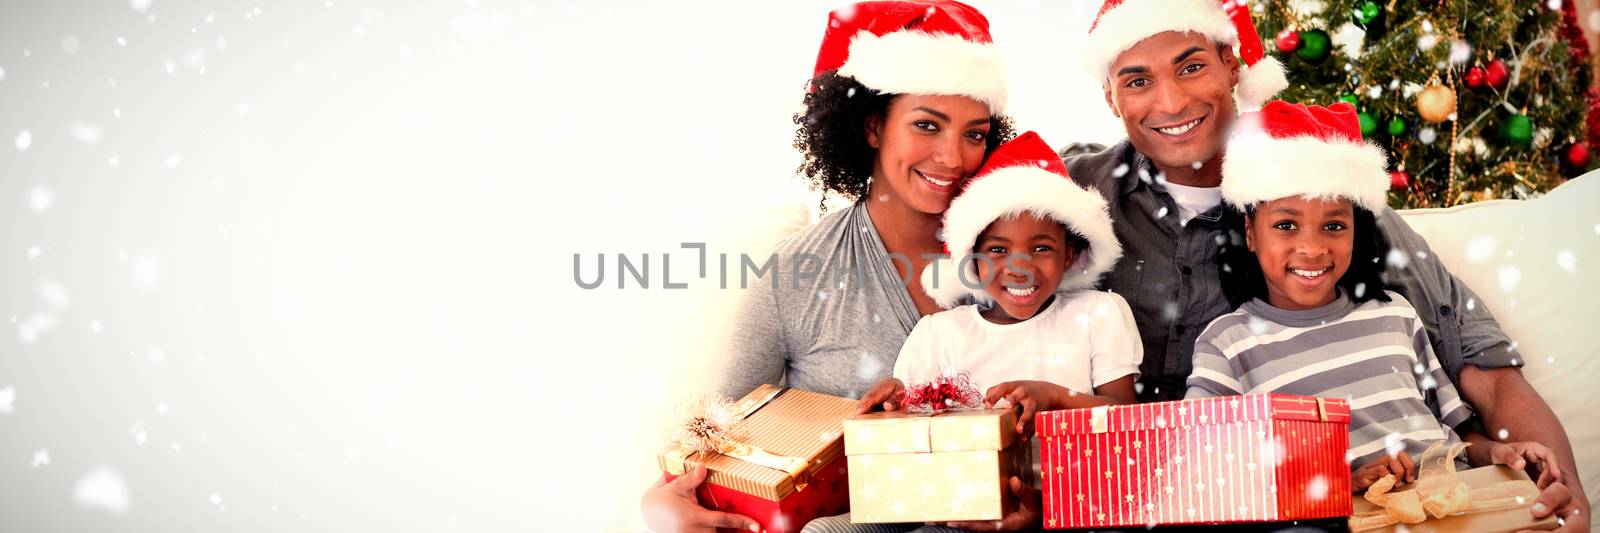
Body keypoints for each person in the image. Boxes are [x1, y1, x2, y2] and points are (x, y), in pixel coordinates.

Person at [1059, 0, 1587, 527]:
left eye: (1192, 67)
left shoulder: (1326, 189)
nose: (1170, 102)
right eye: (1137, 81)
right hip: (1137, 494)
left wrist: (1567, 502)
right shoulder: (1065, 197)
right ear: (1111, 96)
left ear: (1232, 65)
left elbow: (1487, 372)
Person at [642, 2, 1016, 532]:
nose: (953, 157)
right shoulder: (798, 272)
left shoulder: (1017, 250)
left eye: (974, 133)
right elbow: (713, 437)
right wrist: (656, 505)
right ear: (870, 127)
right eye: (927, 125)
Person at [1184, 101, 1564, 493]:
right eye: (1286, 225)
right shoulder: (1227, 344)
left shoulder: (1396, 315)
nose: (1312, 249)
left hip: (1457, 499)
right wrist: (1340, 484)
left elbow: (1454, 436)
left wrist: (1500, 453)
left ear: (1355, 230)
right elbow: (1208, 469)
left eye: (1333, 225)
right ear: (1250, 232)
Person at [855, 131, 1141, 531]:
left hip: (1074, 513)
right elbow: (907, 435)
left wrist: (1054, 397)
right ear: (972, 261)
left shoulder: (1098, 314)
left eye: (1041, 248)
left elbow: (1126, 419)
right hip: (954, 516)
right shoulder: (941, 332)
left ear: (1070, 254)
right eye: (998, 250)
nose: (1019, 267)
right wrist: (891, 403)